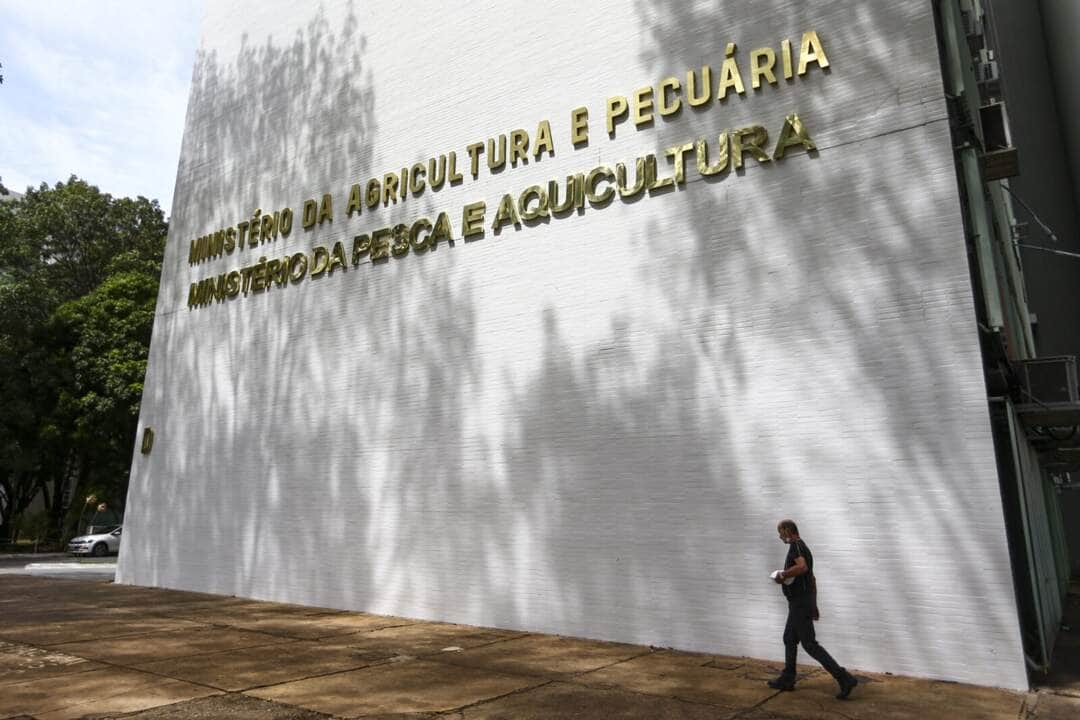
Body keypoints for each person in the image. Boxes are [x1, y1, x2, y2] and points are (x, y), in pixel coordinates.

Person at [768, 519, 858, 700]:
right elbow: (812, 579)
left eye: (781, 532)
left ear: (787, 530)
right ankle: (788, 678)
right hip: (801, 602)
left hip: (800, 603)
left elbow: (802, 568)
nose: (780, 537)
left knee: (809, 644)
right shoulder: (801, 547)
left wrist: (782, 575)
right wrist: (814, 604)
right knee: (789, 638)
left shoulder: (797, 546)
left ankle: (844, 678)